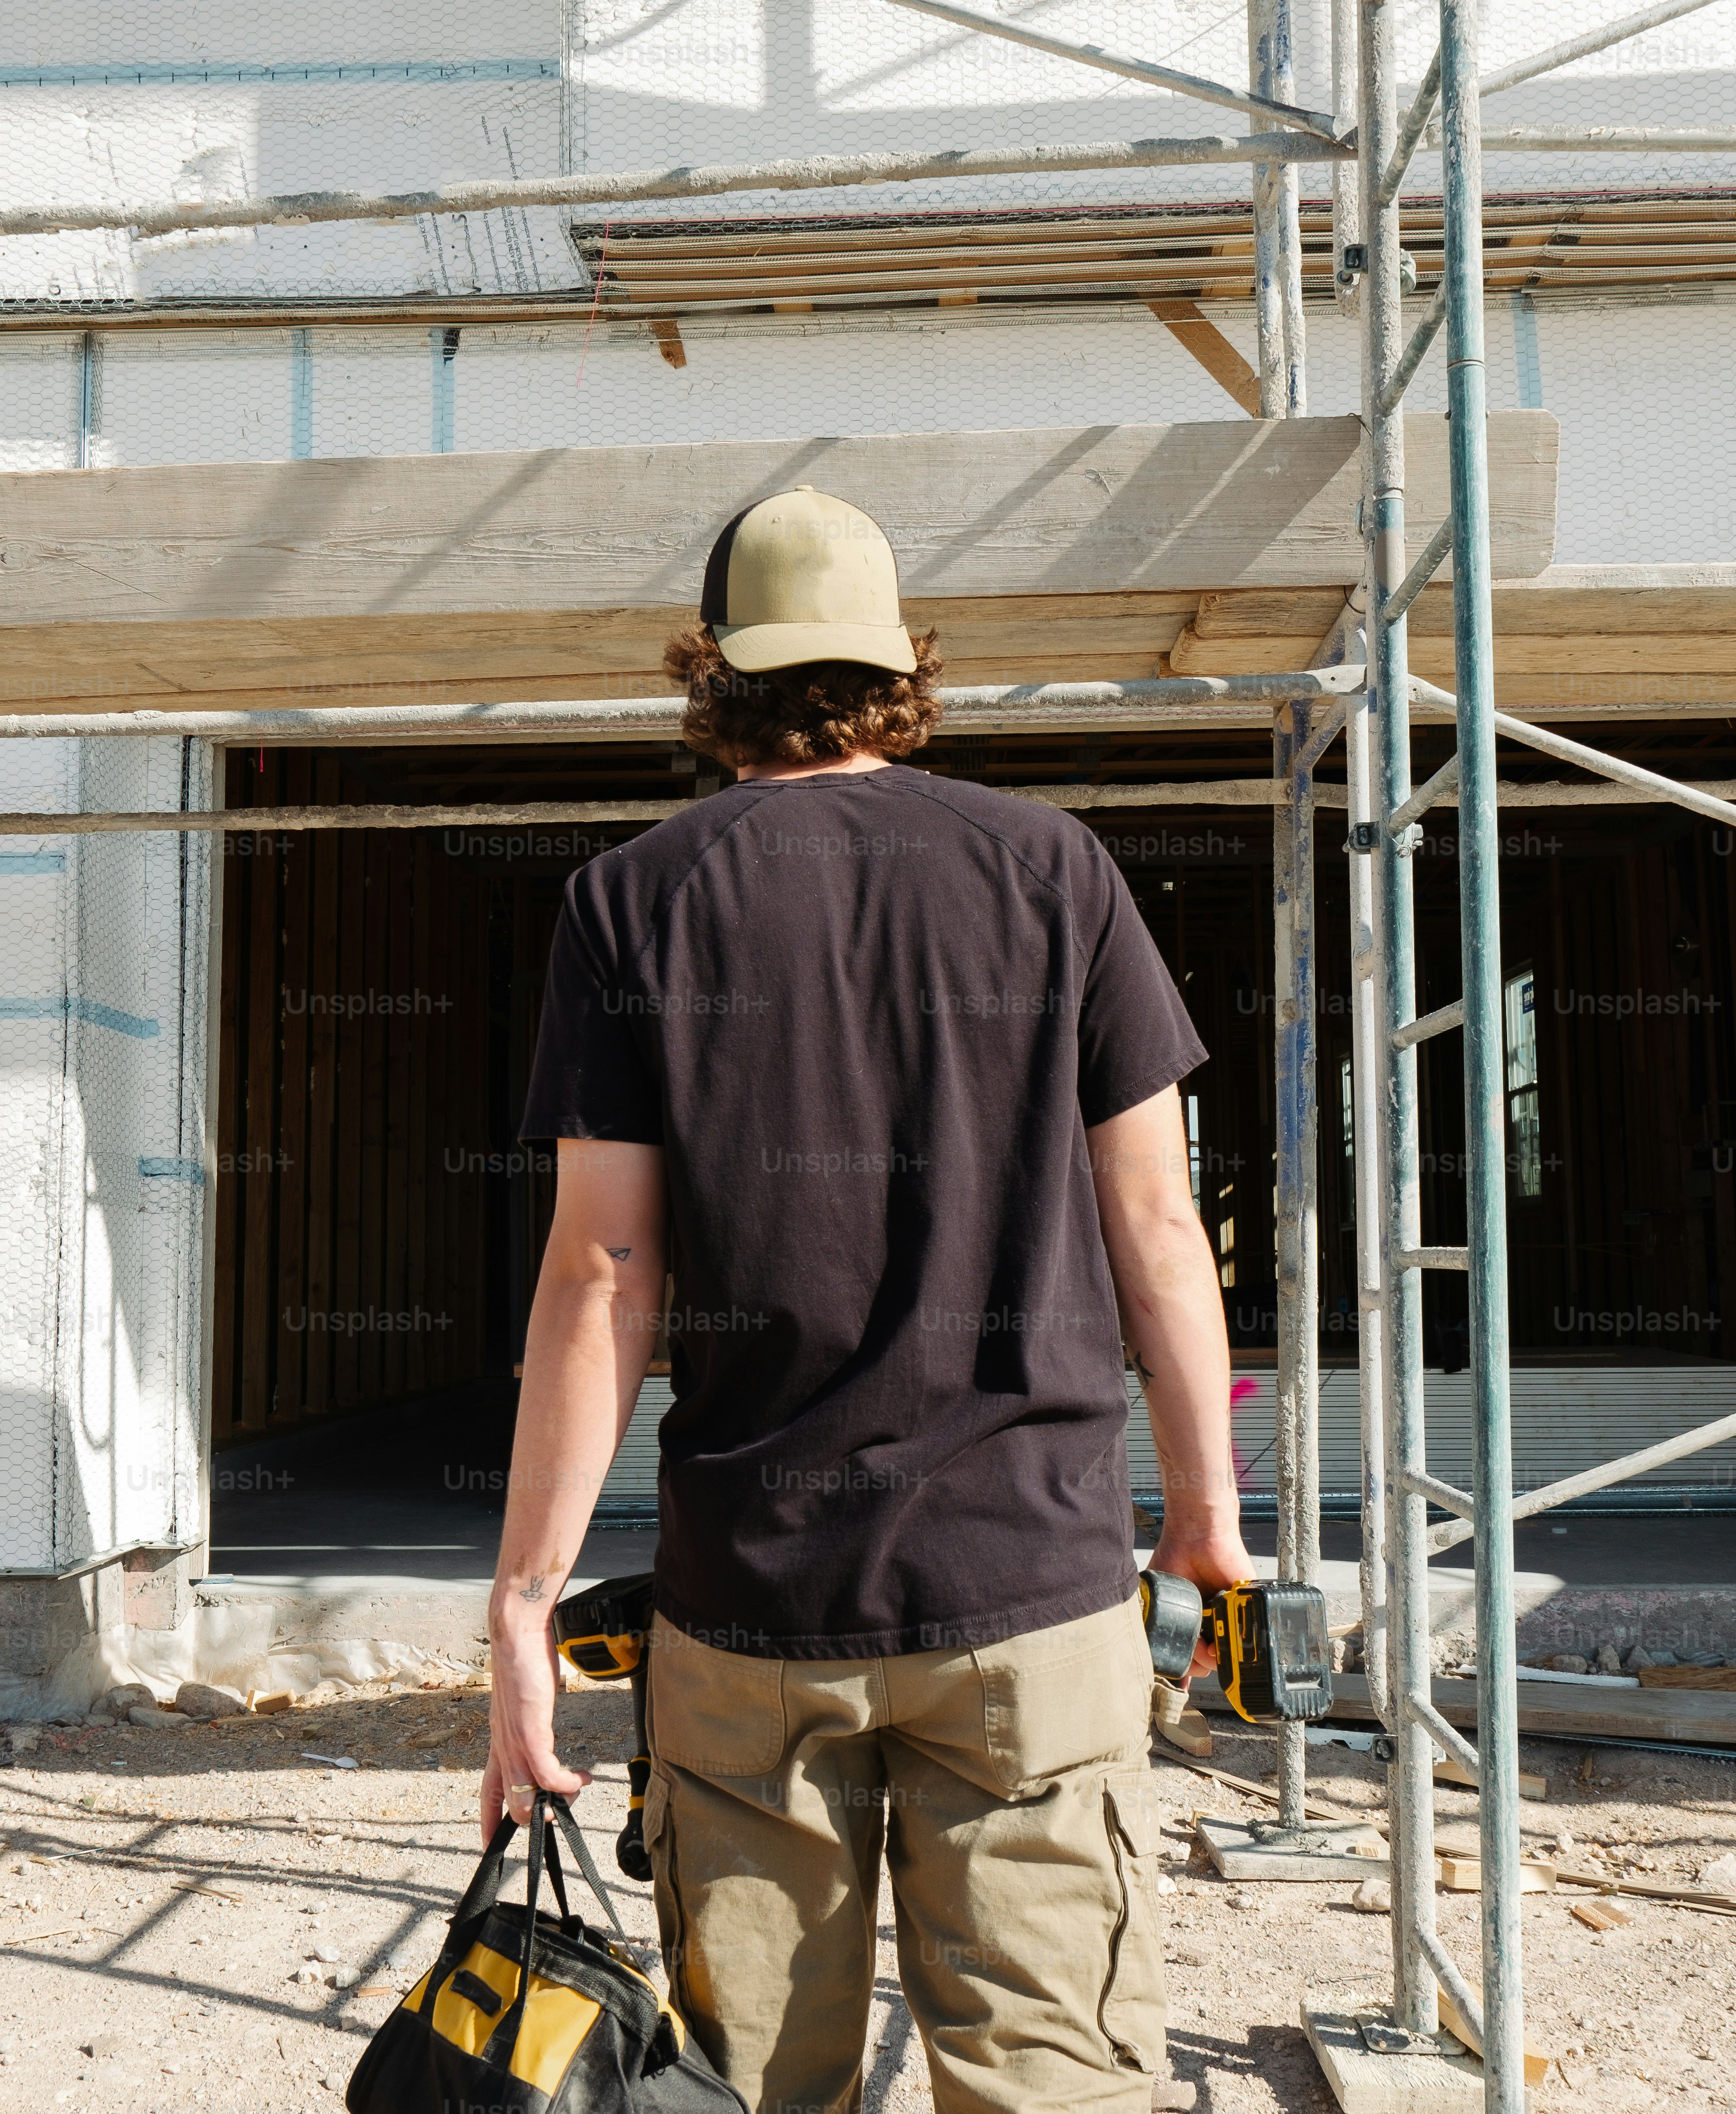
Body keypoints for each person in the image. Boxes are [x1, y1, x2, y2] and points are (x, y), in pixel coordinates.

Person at [481, 485, 1249, 2114]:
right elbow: (1158, 1222)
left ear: (717, 672)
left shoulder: (632, 899)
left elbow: (604, 1272)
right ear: (900, 668)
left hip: (753, 1612)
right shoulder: (1055, 871)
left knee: (752, 2089)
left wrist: (523, 1602)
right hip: (1031, 1595)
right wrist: (1204, 1516)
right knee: (1056, 2088)